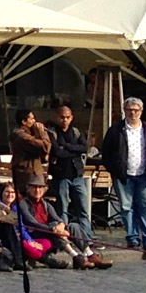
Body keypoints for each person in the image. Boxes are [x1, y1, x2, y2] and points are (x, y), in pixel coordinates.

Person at [97, 96, 146, 257]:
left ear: (141, 111)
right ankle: (132, 237)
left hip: (144, 174)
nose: (133, 113)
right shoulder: (116, 130)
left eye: (136, 110)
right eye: (129, 110)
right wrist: (115, 170)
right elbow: (105, 152)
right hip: (123, 175)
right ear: (125, 111)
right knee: (127, 208)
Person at [47, 102, 94, 251]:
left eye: (67, 117)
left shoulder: (76, 131)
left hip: (77, 175)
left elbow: (84, 148)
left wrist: (67, 147)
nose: (65, 120)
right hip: (61, 176)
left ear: (72, 117)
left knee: (83, 208)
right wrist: (73, 150)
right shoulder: (52, 132)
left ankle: (87, 238)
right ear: (57, 117)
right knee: (63, 208)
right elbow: (57, 151)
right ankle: (64, 238)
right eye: (62, 117)